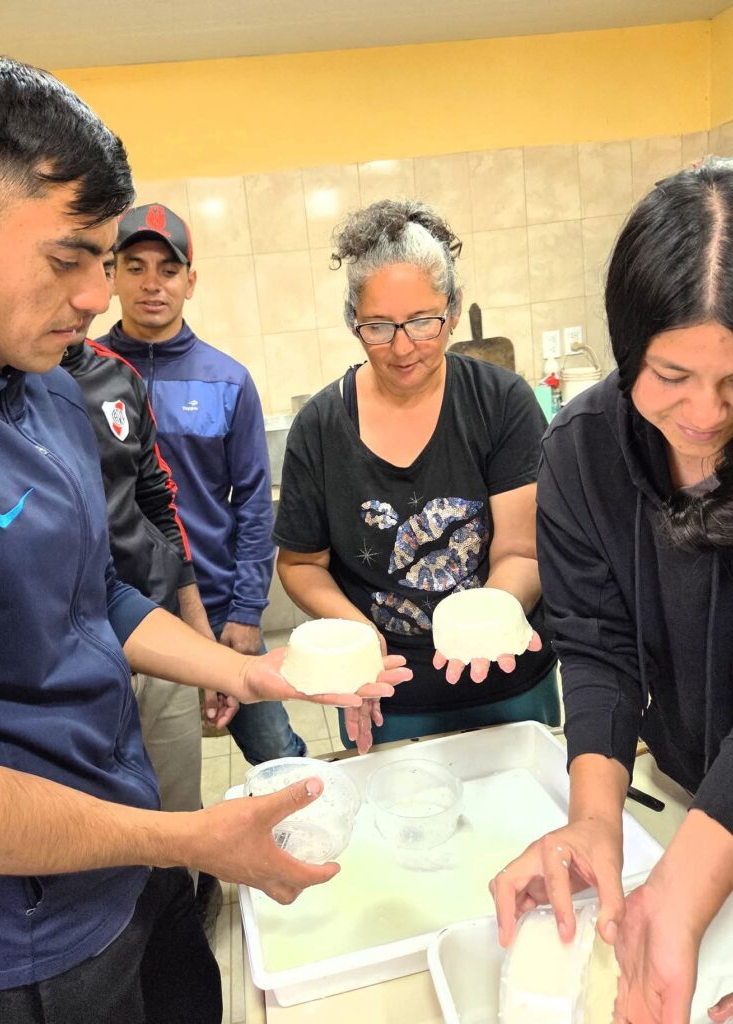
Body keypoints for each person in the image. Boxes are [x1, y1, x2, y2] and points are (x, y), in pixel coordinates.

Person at [0, 52, 409, 1024]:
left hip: (130, 855)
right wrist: (191, 838)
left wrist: (256, 671)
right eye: (72, 257)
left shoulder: (46, 381)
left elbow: (96, 594)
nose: (99, 296)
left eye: (109, 259)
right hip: (17, 945)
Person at [490, 160, 733, 1024]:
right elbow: (596, 645)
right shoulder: (582, 450)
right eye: (671, 377)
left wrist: (689, 882)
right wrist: (594, 820)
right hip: (686, 788)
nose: (705, 416)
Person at [274, 199, 558, 754]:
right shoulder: (320, 428)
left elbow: (522, 553)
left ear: (452, 311)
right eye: (378, 327)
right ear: (353, 323)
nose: (403, 347)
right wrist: (361, 639)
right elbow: (301, 565)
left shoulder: (502, 404)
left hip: (508, 680)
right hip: (388, 693)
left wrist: (484, 624)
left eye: (423, 322)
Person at [104, 204, 307, 765]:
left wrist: (246, 613)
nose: (152, 284)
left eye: (168, 270)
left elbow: (254, 509)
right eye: (136, 266)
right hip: (120, 612)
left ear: (190, 282)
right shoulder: (81, 375)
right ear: (111, 274)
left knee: (277, 753)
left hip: (218, 611)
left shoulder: (227, 381)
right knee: (141, 771)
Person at [61, 259, 226, 942]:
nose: (99, 294)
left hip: (155, 632)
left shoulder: (114, 378)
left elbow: (159, 505)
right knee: (99, 826)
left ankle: (179, 927)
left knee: (177, 804)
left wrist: (201, 641)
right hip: (73, 657)